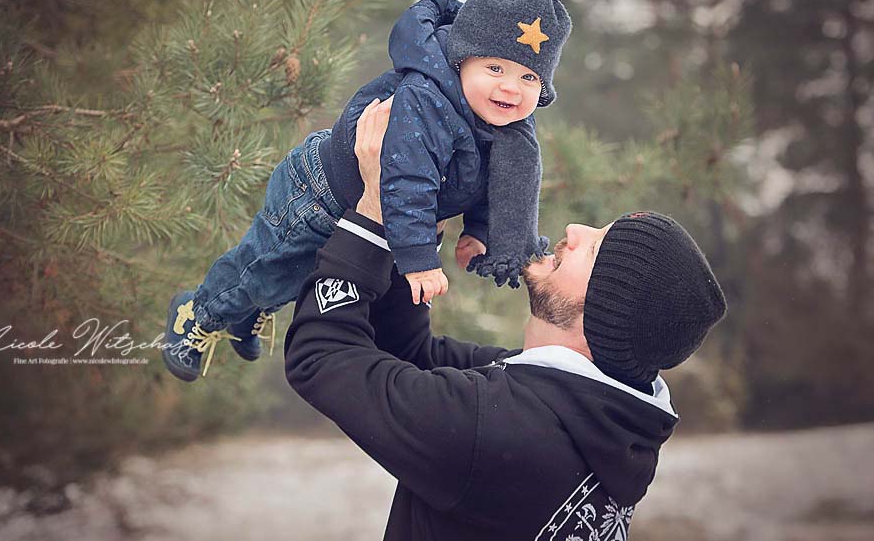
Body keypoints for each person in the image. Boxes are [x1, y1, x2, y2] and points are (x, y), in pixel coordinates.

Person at [283, 99, 728, 541]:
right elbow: (411, 356)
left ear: (606, 314)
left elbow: (320, 357)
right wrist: (421, 225)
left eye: (595, 250)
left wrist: (376, 208)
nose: (574, 230)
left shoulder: (501, 430)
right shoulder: (595, 414)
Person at [163, 0, 574, 381]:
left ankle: (249, 312)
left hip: (359, 206)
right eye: (495, 69)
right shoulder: (426, 100)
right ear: (462, 59)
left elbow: (491, 183)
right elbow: (407, 180)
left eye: (528, 77)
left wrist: (479, 231)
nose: (510, 87)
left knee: (295, 277)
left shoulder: (505, 128)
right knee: (267, 266)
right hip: (318, 192)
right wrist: (417, 260)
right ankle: (197, 314)